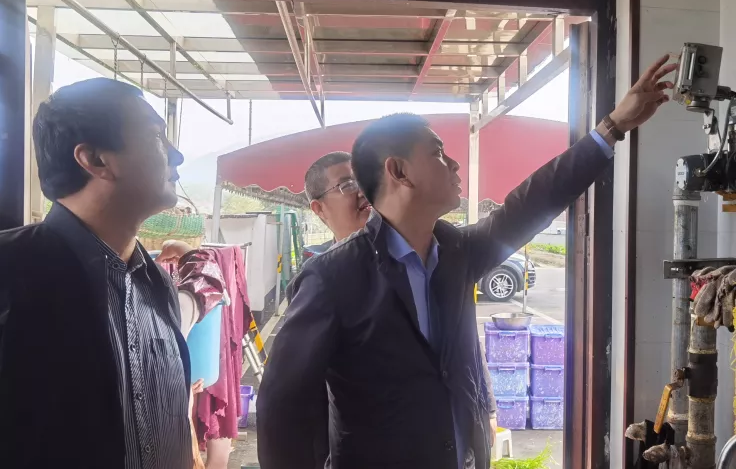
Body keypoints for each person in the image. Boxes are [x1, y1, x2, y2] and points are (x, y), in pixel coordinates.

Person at [257, 54, 677, 469]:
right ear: (399, 171)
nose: (455, 163)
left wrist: (612, 127)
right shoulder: (332, 277)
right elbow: (282, 410)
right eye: (438, 153)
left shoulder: (456, 252)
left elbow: (531, 203)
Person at [0, 78, 197, 468]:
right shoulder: (10, 270)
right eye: (157, 136)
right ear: (95, 159)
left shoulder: (156, 284)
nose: (177, 155)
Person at [303, 151, 499, 468]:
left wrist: (485, 406)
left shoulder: (426, 256)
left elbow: (464, 343)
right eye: (346, 185)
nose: (362, 191)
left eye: (363, 180)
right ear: (319, 208)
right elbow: (300, 397)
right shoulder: (320, 281)